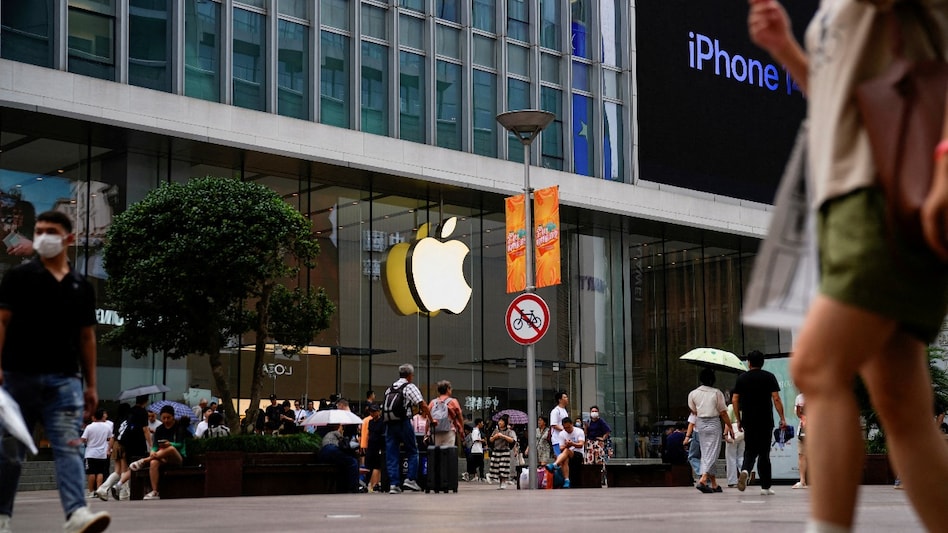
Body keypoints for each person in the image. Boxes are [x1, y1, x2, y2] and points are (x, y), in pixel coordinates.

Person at [749, 0, 948, 530]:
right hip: (843, 203)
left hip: (886, 194)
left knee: (816, 364)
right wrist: (786, 49)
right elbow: (841, 99)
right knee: (901, 403)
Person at [0, 211, 111, 533]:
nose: (43, 236)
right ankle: (2, 515)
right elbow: (2, 322)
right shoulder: (19, 278)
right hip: (18, 377)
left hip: (65, 380)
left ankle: (77, 513)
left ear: (69, 239)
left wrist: (91, 384)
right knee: (9, 452)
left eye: (51, 231)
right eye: (39, 231)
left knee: (69, 447)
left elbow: (87, 337)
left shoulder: (80, 286)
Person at [732, 351, 786, 496]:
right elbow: (776, 398)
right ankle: (765, 487)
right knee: (764, 453)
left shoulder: (742, 378)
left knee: (749, 450)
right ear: (762, 362)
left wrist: (738, 419)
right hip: (765, 421)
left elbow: (735, 399)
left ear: (749, 362)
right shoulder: (769, 377)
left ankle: (745, 470)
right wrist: (782, 418)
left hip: (749, 421)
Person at [383, 363, 432, 494]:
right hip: (403, 422)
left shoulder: (390, 388)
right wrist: (431, 420)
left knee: (392, 454)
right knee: (412, 450)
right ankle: (410, 480)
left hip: (389, 423)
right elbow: (422, 404)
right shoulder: (409, 387)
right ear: (410, 375)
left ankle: (394, 484)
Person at [128, 405, 189, 500]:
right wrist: (152, 452)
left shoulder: (179, 428)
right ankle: (155, 491)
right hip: (162, 457)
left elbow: (180, 444)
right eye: (163, 418)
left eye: (168, 418)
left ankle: (144, 461)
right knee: (153, 462)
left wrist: (170, 444)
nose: (166, 420)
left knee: (171, 449)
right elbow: (155, 446)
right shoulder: (160, 429)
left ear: (173, 416)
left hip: (178, 457)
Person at [688, 367, 733, 493]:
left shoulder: (693, 393)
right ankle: (703, 479)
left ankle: (713, 483)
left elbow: (693, 411)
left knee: (706, 451)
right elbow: (723, 412)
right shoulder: (716, 393)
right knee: (712, 452)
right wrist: (729, 426)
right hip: (713, 422)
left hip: (700, 423)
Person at [80, 409, 113, 498]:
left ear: (94, 417)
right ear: (102, 416)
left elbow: (83, 439)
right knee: (100, 472)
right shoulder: (107, 427)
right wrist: (108, 449)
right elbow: (111, 438)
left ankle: (91, 492)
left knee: (91, 473)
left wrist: (87, 441)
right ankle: (99, 490)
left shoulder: (89, 427)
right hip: (102, 453)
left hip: (91, 453)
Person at [320, 423, 360, 493]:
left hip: (323, 453)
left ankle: (342, 487)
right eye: (341, 427)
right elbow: (345, 445)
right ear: (338, 427)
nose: (342, 429)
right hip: (331, 449)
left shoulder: (327, 435)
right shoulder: (336, 433)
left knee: (343, 464)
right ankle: (353, 488)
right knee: (353, 462)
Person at [546, 417, 585, 488]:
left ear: (572, 424)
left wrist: (572, 444)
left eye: (569, 427)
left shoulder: (579, 431)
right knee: (565, 458)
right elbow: (560, 448)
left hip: (578, 453)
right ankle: (567, 480)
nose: (567, 430)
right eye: (565, 428)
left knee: (566, 451)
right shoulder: (562, 433)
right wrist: (566, 445)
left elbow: (581, 444)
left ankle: (555, 464)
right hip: (567, 453)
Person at [427, 380, 464, 447]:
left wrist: (426, 433)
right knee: (448, 453)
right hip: (449, 430)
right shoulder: (453, 401)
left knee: (437, 453)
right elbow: (460, 417)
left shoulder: (433, 402)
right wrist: (461, 429)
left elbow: (427, 418)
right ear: (448, 389)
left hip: (435, 431)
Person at [360, 404, 385, 492]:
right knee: (368, 466)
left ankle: (375, 485)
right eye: (371, 412)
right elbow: (367, 435)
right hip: (370, 446)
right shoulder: (370, 422)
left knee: (377, 466)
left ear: (378, 411)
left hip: (378, 446)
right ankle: (366, 484)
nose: (372, 413)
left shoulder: (382, 422)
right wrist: (364, 446)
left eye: (374, 411)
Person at [489, 415, 517, 489]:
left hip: (505, 451)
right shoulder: (496, 430)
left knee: (503, 468)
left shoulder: (509, 431)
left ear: (505, 422)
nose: (500, 423)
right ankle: (500, 482)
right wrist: (496, 436)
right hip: (496, 451)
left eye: (501, 421)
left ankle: (504, 482)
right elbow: (491, 440)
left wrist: (503, 436)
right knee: (497, 468)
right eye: (499, 421)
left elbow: (512, 440)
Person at [724, 394, 746, 488]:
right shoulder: (746, 406)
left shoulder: (731, 407)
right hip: (744, 431)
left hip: (733, 430)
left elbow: (727, 421)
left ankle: (732, 481)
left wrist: (725, 434)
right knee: (741, 455)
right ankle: (744, 475)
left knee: (731, 457)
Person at [793, 393, 808, 489]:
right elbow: (798, 414)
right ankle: (802, 481)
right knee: (801, 455)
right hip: (803, 428)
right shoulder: (799, 397)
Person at [683, 413, 702, 483]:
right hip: (711, 432)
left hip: (698, 433)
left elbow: (691, 423)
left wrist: (687, 437)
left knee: (692, 456)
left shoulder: (696, 411)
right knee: (707, 456)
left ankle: (702, 472)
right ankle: (708, 474)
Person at [550, 391, 569, 456]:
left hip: (564, 440)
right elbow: (554, 424)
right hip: (557, 440)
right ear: (560, 400)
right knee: (559, 458)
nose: (567, 398)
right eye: (565, 397)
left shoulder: (564, 410)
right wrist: (565, 429)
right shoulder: (555, 411)